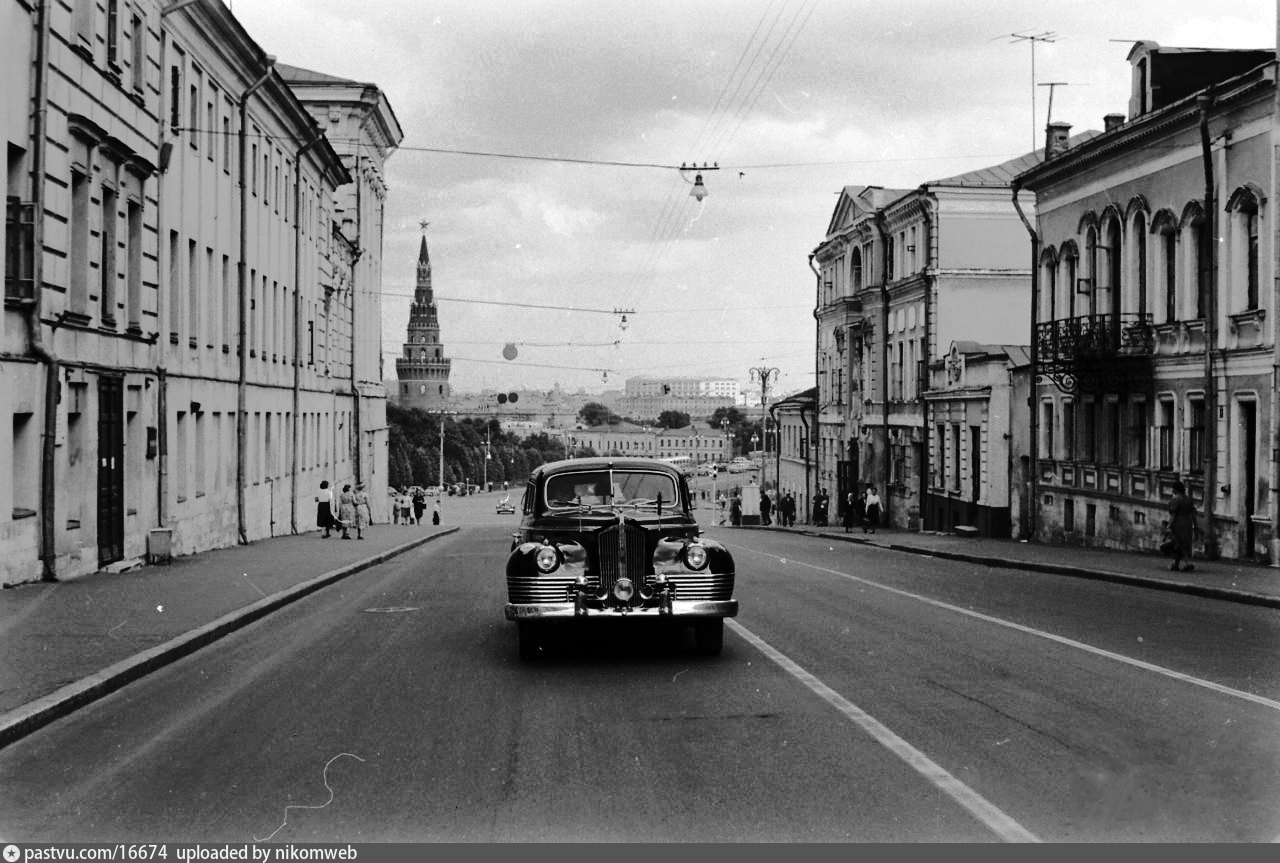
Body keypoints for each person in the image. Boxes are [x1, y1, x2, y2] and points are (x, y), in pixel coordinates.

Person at [1167, 479, 1198, 572]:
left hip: (1178, 523)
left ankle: (1187, 563)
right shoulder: (1188, 499)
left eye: (1173, 488)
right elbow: (1193, 515)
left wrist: (1169, 526)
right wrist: (1195, 527)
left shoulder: (1175, 500)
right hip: (1187, 523)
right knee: (1183, 542)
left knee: (1179, 543)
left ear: (1176, 489)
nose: (1172, 490)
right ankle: (1175, 564)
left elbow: (1173, 515)